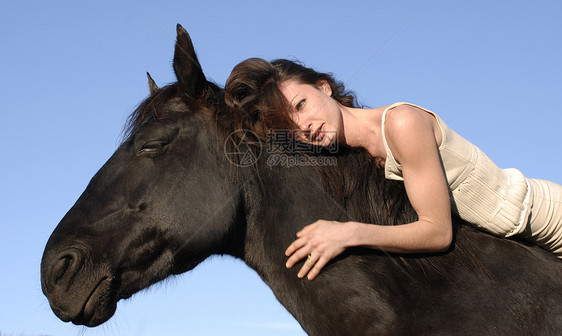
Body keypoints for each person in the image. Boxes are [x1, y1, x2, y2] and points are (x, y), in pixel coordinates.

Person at [224, 58, 562, 280]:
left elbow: (438, 231)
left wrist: (349, 233)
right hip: (519, 251)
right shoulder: (355, 159)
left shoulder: (401, 123)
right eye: (292, 126)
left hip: (546, 218)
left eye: (302, 104)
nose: (306, 126)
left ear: (324, 87)